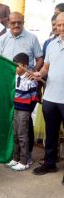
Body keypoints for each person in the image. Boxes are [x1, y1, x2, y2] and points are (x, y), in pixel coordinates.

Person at [0, 11, 44, 164]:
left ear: (23, 22)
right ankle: (12, 153)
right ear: (8, 23)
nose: (16, 25)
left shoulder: (32, 38)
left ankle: (26, 155)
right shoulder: (2, 39)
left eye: (19, 22)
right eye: (13, 22)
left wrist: (34, 72)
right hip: (8, 86)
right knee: (11, 119)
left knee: (25, 121)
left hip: (26, 86)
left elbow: (40, 58)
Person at [32, 12, 64, 176]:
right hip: (51, 97)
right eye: (58, 25)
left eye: (63, 24)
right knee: (51, 134)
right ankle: (50, 163)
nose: (61, 28)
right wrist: (39, 74)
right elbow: (46, 68)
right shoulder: (51, 45)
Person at [5, 53, 39, 171]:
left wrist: (28, 110)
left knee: (22, 135)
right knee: (15, 134)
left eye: (17, 65)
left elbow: (35, 97)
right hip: (15, 109)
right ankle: (16, 158)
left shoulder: (31, 79)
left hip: (24, 111)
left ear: (24, 65)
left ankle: (25, 161)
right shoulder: (14, 77)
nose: (14, 68)